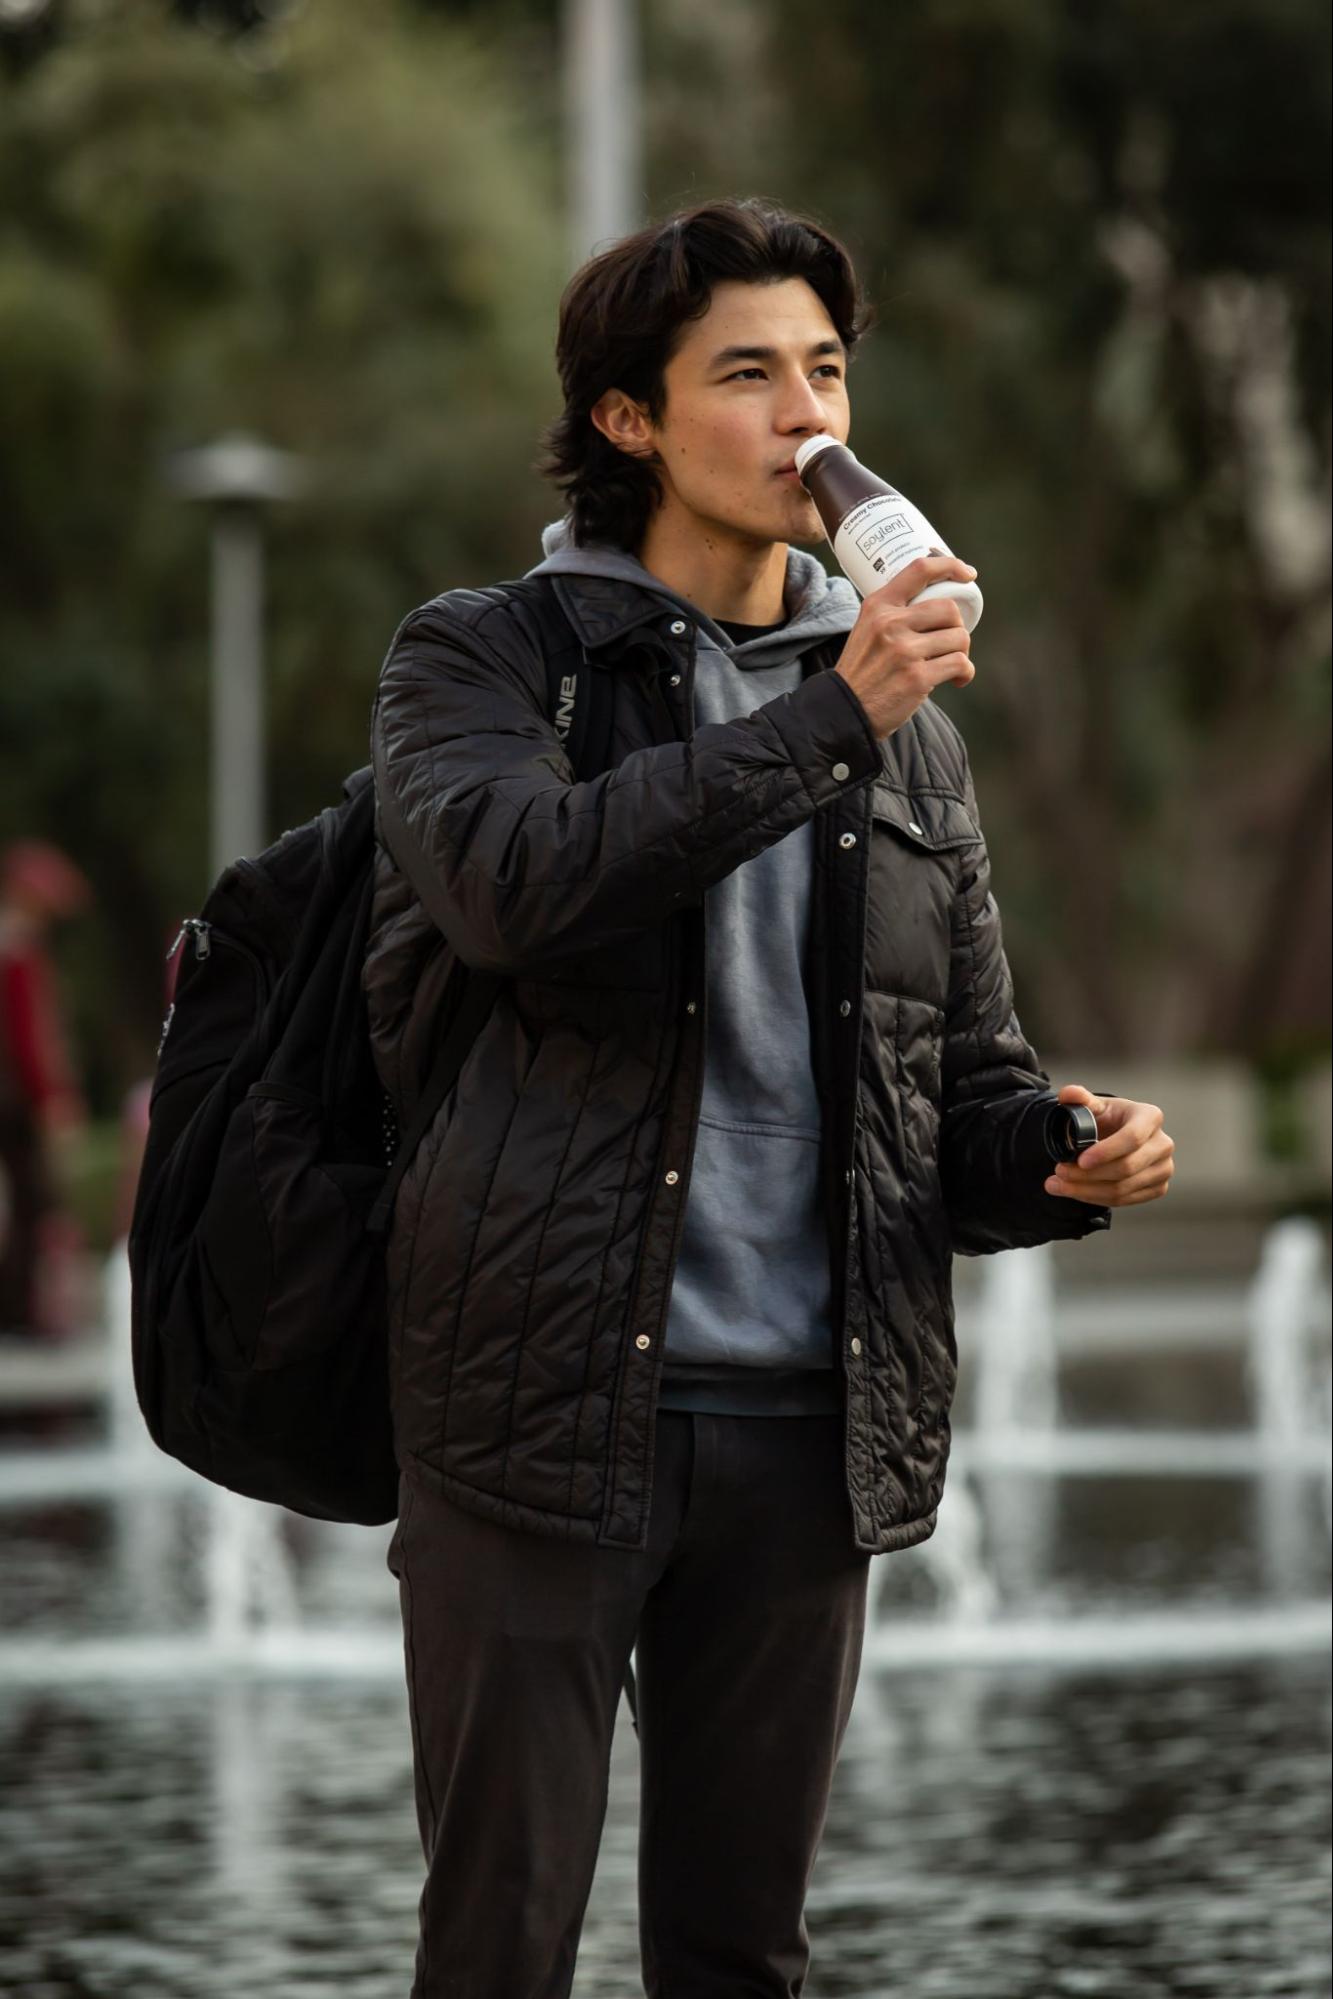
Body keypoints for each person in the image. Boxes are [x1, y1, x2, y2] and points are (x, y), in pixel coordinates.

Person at [364, 196, 1176, 1998]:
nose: (806, 415)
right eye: (747, 373)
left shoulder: (906, 720)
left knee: (742, 1954)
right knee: (495, 1941)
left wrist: (1059, 1153)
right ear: (629, 419)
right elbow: (511, 885)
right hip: (538, 1403)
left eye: (824, 370)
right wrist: (832, 717)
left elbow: (946, 1080)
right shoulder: (491, 658)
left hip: (809, 1422)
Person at [0, 840, 90, 1339]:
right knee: (33, 1199)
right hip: (15, 1100)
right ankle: (19, 1311)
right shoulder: (19, 950)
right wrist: (53, 1096)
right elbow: (31, 1035)